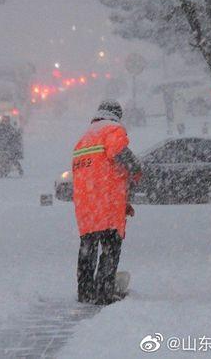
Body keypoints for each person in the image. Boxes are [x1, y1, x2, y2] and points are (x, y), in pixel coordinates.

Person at [73, 100, 141, 305]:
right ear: (116, 115)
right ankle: (104, 292)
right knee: (111, 248)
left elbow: (98, 171)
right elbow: (119, 154)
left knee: (88, 248)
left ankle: (85, 292)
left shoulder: (84, 139)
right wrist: (136, 170)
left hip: (86, 206)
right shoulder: (112, 130)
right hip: (107, 204)